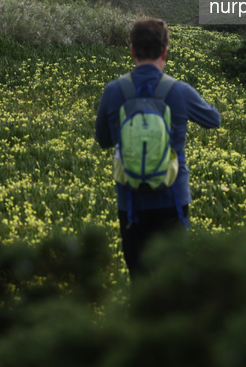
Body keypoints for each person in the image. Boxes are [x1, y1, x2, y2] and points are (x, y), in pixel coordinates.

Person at [95, 17, 221, 278]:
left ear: (131, 50)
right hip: (172, 197)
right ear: (165, 51)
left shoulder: (113, 91)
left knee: (139, 277)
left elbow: (103, 140)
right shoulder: (178, 91)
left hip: (130, 200)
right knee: (172, 279)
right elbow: (213, 120)